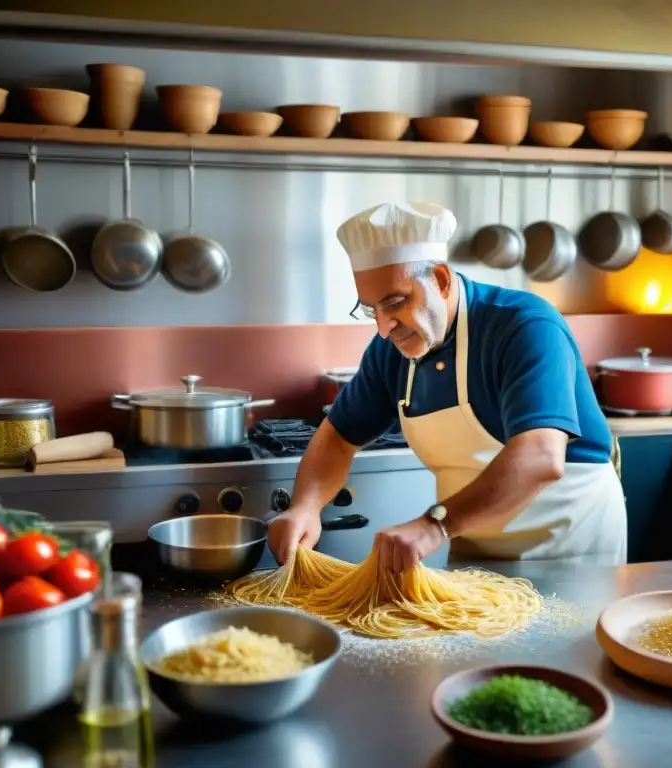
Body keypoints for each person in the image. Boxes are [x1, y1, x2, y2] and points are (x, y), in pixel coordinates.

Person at [268, 201, 627, 573]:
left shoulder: (524, 326)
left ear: (440, 279)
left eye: (395, 302)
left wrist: (434, 524)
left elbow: (539, 457)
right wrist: (305, 507)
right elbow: (338, 437)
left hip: (571, 548)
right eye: (371, 309)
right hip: (475, 547)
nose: (383, 328)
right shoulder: (390, 352)